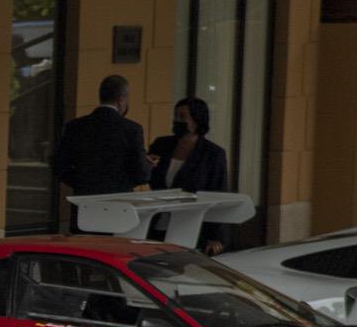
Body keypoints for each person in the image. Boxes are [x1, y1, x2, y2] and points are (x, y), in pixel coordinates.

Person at [53, 74, 151, 230]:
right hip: (119, 205)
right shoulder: (132, 129)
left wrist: (82, 181)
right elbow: (141, 174)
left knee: (84, 242)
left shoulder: (75, 127)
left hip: (84, 204)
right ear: (122, 100)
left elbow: (59, 166)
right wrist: (147, 165)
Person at [148, 96, 231, 254]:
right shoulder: (162, 145)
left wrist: (216, 236)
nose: (177, 121)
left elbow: (218, 193)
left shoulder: (213, 154)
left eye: (182, 117)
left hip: (191, 226)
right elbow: (147, 176)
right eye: (176, 116)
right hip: (157, 224)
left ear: (197, 120)